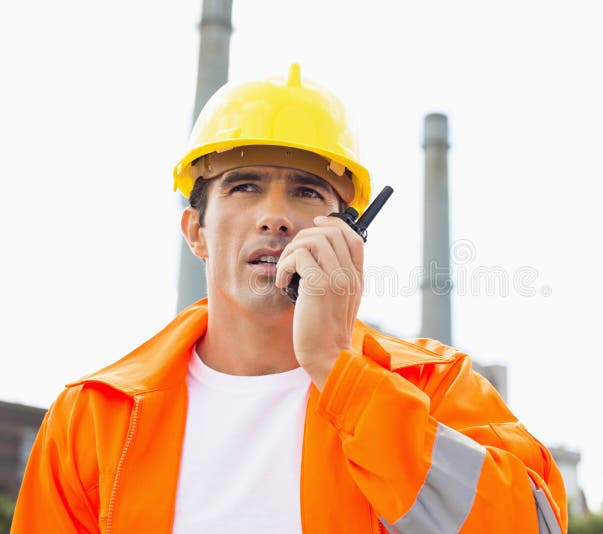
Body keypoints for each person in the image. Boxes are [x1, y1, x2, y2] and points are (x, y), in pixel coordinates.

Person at [12, 64, 567, 533]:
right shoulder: (94, 418)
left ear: (350, 231)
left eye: (306, 191)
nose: (275, 217)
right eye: (244, 186)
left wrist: (337, 367)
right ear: (195, 231)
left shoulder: (435, 388)